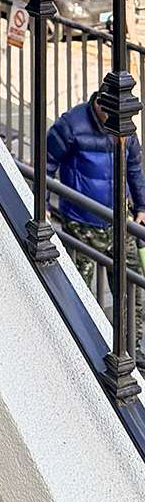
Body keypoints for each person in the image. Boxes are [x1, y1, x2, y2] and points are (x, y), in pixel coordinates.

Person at [46, 92, 145, 358]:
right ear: (100, 102)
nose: (117, 119)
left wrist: (142, 206)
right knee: (78, 289)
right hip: (82, 223)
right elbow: (47, 164)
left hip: (119, 223)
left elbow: (134, 168)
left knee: (132, 288)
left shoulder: (125, 125)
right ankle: (80, 346)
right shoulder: (71, 125)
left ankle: (131, 347)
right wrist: (43, 204)